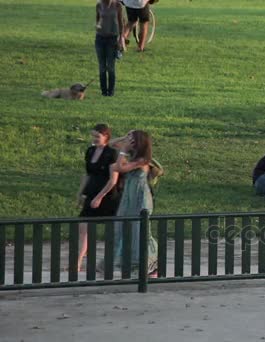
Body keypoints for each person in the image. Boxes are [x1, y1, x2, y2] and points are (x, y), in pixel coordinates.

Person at [91, 130, 158, 274]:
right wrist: (124, 138)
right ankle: (110, 263)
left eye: (132, 140)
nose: (128, 142)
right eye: (129, 140)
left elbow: (121, 168)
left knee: (140, 232)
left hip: (140, 199)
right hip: (128, 198)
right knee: (120, 228)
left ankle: (150, 266)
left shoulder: (143, 160)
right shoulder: (131, 155)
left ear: (138, 143)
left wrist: (123, 150)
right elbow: (110, 144)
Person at [76, 124, 121, 271]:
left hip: (108, 196)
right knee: (83, 227)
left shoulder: (111, 153)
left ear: (106, 137)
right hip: (91, 192)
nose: (94, 139)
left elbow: (113, 180)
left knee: (111, 230)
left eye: (97, 136)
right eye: (93, 136)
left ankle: (109, 262)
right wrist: (80, 193)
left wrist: (100, 197)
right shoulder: (90, 151)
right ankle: (77, 263)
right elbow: (87, 174)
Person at [95, 0, 124, 96]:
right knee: (102, 67)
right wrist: (98, 26)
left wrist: (121, 40)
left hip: (112, 40)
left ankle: (111, 92)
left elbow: (121, 23)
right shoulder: (99, 5)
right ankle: (103, 92)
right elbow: (98, 20)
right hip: (100, 39)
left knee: (111, 67)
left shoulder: (118, 5)